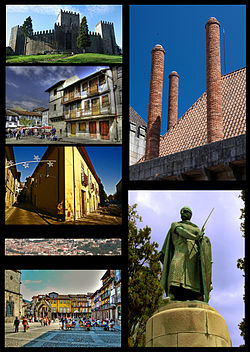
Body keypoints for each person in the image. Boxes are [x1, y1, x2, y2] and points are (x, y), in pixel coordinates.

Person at [159, 206, 212, 302]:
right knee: (175, 269)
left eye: (186, 211)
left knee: (193, 276)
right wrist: (195, 237)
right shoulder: (175, 225)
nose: (183, 213)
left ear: (190, 215)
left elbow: (202, 243)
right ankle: (172, 294)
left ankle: (196, 294)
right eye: (182, 211)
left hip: (193, 255)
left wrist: (201, 241)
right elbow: (181, 232)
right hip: (179, 251)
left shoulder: (196, 228)